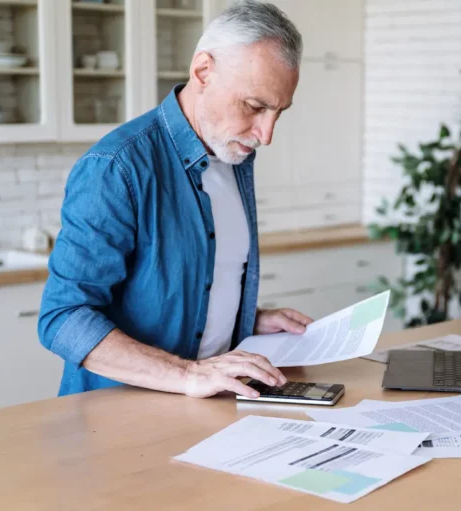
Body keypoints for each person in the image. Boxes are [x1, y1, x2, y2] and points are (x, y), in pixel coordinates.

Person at [38, 0, 310, 399]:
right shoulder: (117, 166)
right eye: (254, 106)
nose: (266, 134)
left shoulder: (233, 156)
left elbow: (186, 288)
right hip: (116, 416)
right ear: (203, 71)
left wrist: (245, 319)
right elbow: (63, 317)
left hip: (205, 409)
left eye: (278, 112)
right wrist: (188, 375)